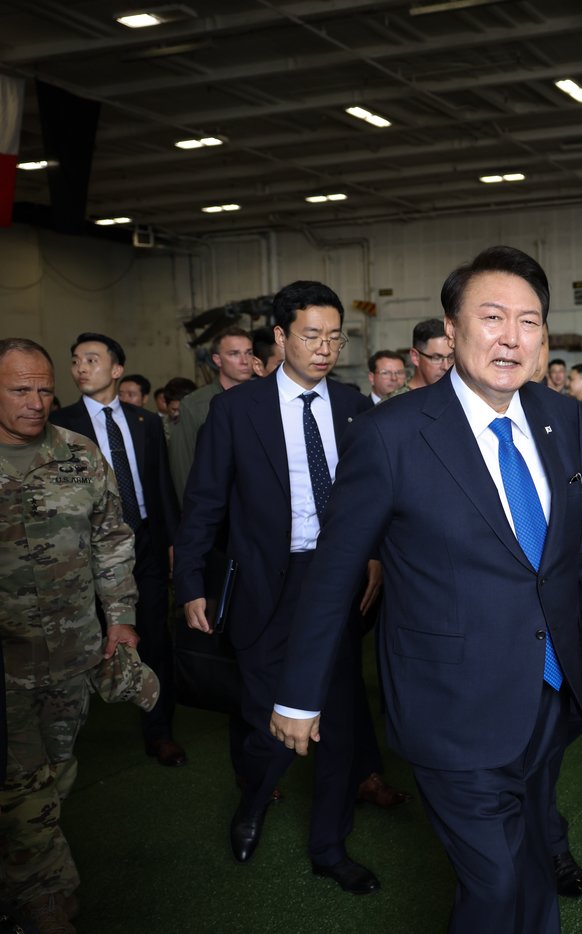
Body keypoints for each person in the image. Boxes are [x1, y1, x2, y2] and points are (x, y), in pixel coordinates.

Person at [267, 247, 582, 934]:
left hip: (550, 690)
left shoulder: (563, 420)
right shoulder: (393, 434)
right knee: (493, 882)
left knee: (531, 858)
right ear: (451, 327)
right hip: (452, 707)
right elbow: (336, 568)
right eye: (491, 317)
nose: (511, 338)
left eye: (529, 321)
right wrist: (299, 693)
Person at [174, 281, 381, 890]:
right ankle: (254, 801)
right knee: (269, 719)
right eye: (311, 335)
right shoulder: (238, 410)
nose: (324, 348)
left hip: (337, 582)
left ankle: (329, 847)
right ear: (281, 337)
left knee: (339, 718)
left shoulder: (351, 405)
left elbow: (372, 499)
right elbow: (204, 504)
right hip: (267, 584)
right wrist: (189, 583)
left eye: (334, 336)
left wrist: (372, 558)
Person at [1, 338, 140, 934]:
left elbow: (112, 539)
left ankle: (29, 872)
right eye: (18, 390)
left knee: (56, 776)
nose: (35, 402)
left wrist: (122, 618)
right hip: (6, 666)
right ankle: (47, 898)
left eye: (43, 389)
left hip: (73, 654)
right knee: (22, 786)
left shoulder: (80, 454)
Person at [50, 333, 184, 765]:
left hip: (143, 539)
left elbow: (161, 487)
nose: (81, 368)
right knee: (80, 641)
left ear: (117, 369)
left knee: (155, 637)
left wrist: (170, 543)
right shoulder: (61, 425)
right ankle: (66, 739)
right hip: (85, 548)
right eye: (75, 361)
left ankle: (159, 729)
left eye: (91, 359)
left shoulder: (143, 421)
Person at [168, 327, 255, 502]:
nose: (245, 361)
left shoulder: (263, 398)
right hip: (216, 509)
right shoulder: (195, 404)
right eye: (234, 354)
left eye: (249, 353)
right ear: (217, 360)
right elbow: (183, 467)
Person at [406, 317, 453, 390]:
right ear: (415, 357)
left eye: (451, 357)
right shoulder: (396, 400)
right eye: (437, 358)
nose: (446, 367)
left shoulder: (457, 394)